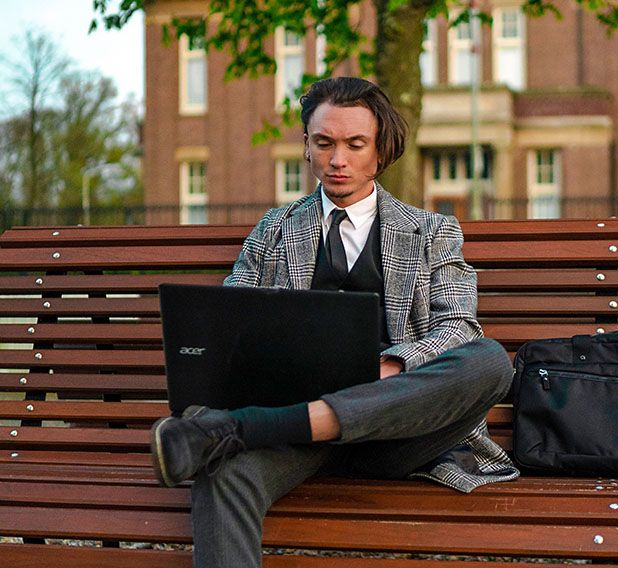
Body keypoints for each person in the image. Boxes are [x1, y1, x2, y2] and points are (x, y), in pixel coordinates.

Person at [150, 76, 519, 568]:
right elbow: (228, 328)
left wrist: (389, 368)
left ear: (380, 151)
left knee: (490, 361)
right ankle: (251, 427)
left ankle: (243, 426)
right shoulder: (275, 230)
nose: (337, 159)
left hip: (399, 435)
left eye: (354, 144)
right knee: (222, 470)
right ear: (306, 146)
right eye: (323, 143)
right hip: (292, 436)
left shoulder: (432, 231)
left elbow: (457, 328)